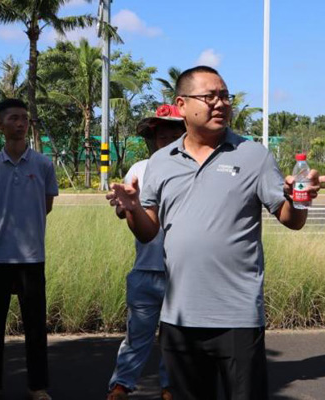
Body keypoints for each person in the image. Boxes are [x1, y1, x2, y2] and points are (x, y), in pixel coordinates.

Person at [107, 66, 325, 400]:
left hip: (238, 315)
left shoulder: (254, 156)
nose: (221, 103)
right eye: (209, 96)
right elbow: (147, 232)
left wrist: (298, 199)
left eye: (225, 96)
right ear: (182, 104)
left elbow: (292, 220)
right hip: (179, 316)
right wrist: (133, 209)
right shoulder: (161, 161)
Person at [0, 98, 58, 400]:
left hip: (31, 257)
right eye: (13, 118)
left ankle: (37, 387)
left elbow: (45, 205)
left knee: (35, 327)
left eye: (24, 118)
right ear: (0, 125)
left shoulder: (44, 164)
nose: (20, 123)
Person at [107, 105, 184, 400]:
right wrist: (127, 206)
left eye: (175, 135)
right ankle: (121, 385)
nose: (168, 141)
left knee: (175, 338)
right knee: (137, 335)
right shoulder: (140, 169)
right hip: (146, 269)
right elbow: (122, 211)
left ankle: (169, 386)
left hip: (182, 272)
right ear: (153, 139)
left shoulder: (194, 170)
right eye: (162, 136)